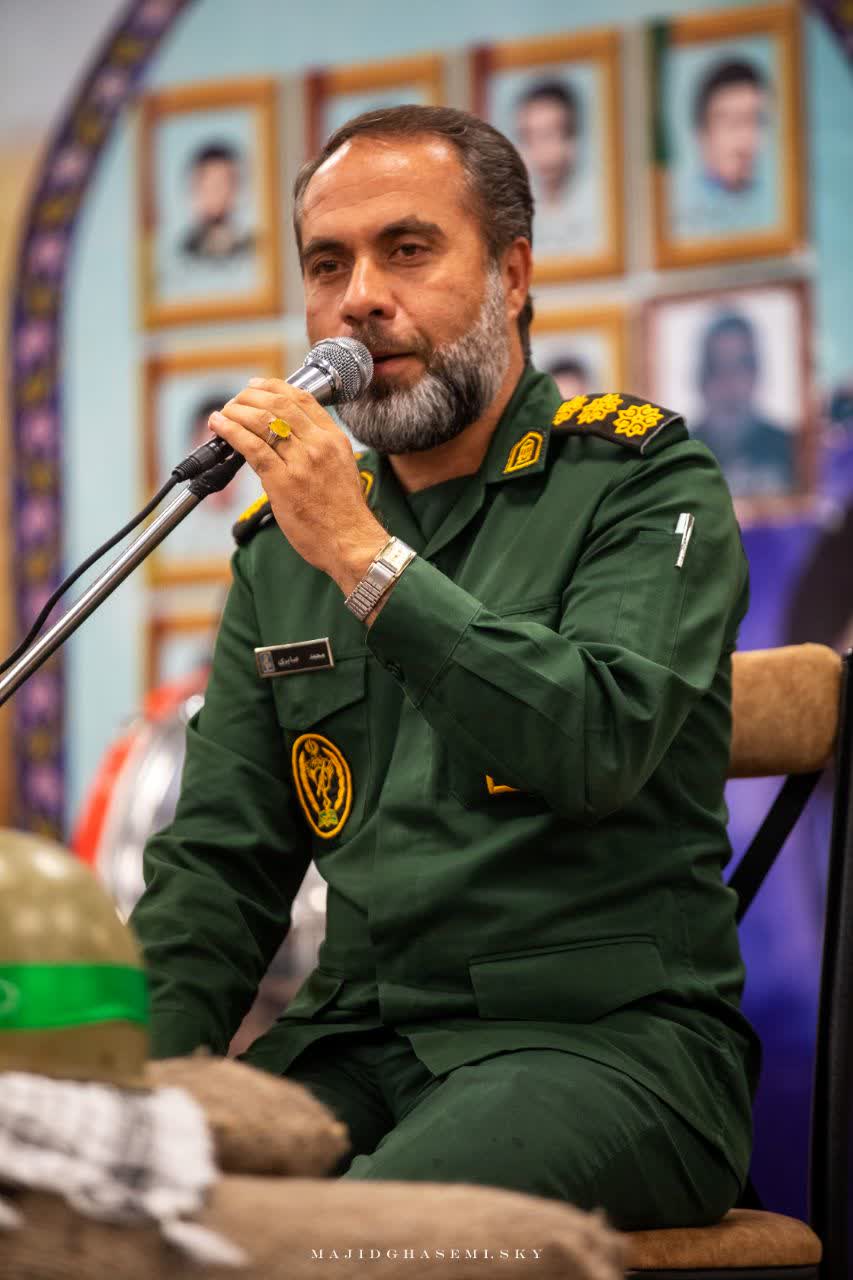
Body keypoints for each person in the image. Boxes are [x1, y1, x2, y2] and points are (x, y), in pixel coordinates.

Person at [130, 104, 759, 1230]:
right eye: (328, 264)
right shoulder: (280, 549)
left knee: (346, 1244)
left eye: (407, 249)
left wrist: (364, 557)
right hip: (350, 1043)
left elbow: (596, 740)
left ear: (511, 275)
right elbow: (220, 868)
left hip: (602, 1045)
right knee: (97, 1214)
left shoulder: (641, 481)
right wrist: (120, 1096)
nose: (360, 297)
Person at [691, 311, 795, 497]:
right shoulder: (680, 455)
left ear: (756, 373)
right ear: (701, 378)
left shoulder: (790, 447)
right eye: (717, 367)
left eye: (740, 366)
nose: (729, 381)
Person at [673, 58, 774, 237]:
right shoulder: (683, 206)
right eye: (732, 122)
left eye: (756, 120)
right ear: (702, 133)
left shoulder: (774, 201)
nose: (745, 137)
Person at [512, 80, 597, 255]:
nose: (539, 151)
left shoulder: (602, 208)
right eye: (528, 137)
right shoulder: (511, 216)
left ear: (573, 139)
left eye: (549, 135)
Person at [180, 142, 255, 261]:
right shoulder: (184, 251)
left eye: (228, 183)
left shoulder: (250, 246)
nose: (222, 194)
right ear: (195, 189)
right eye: (213, 186)